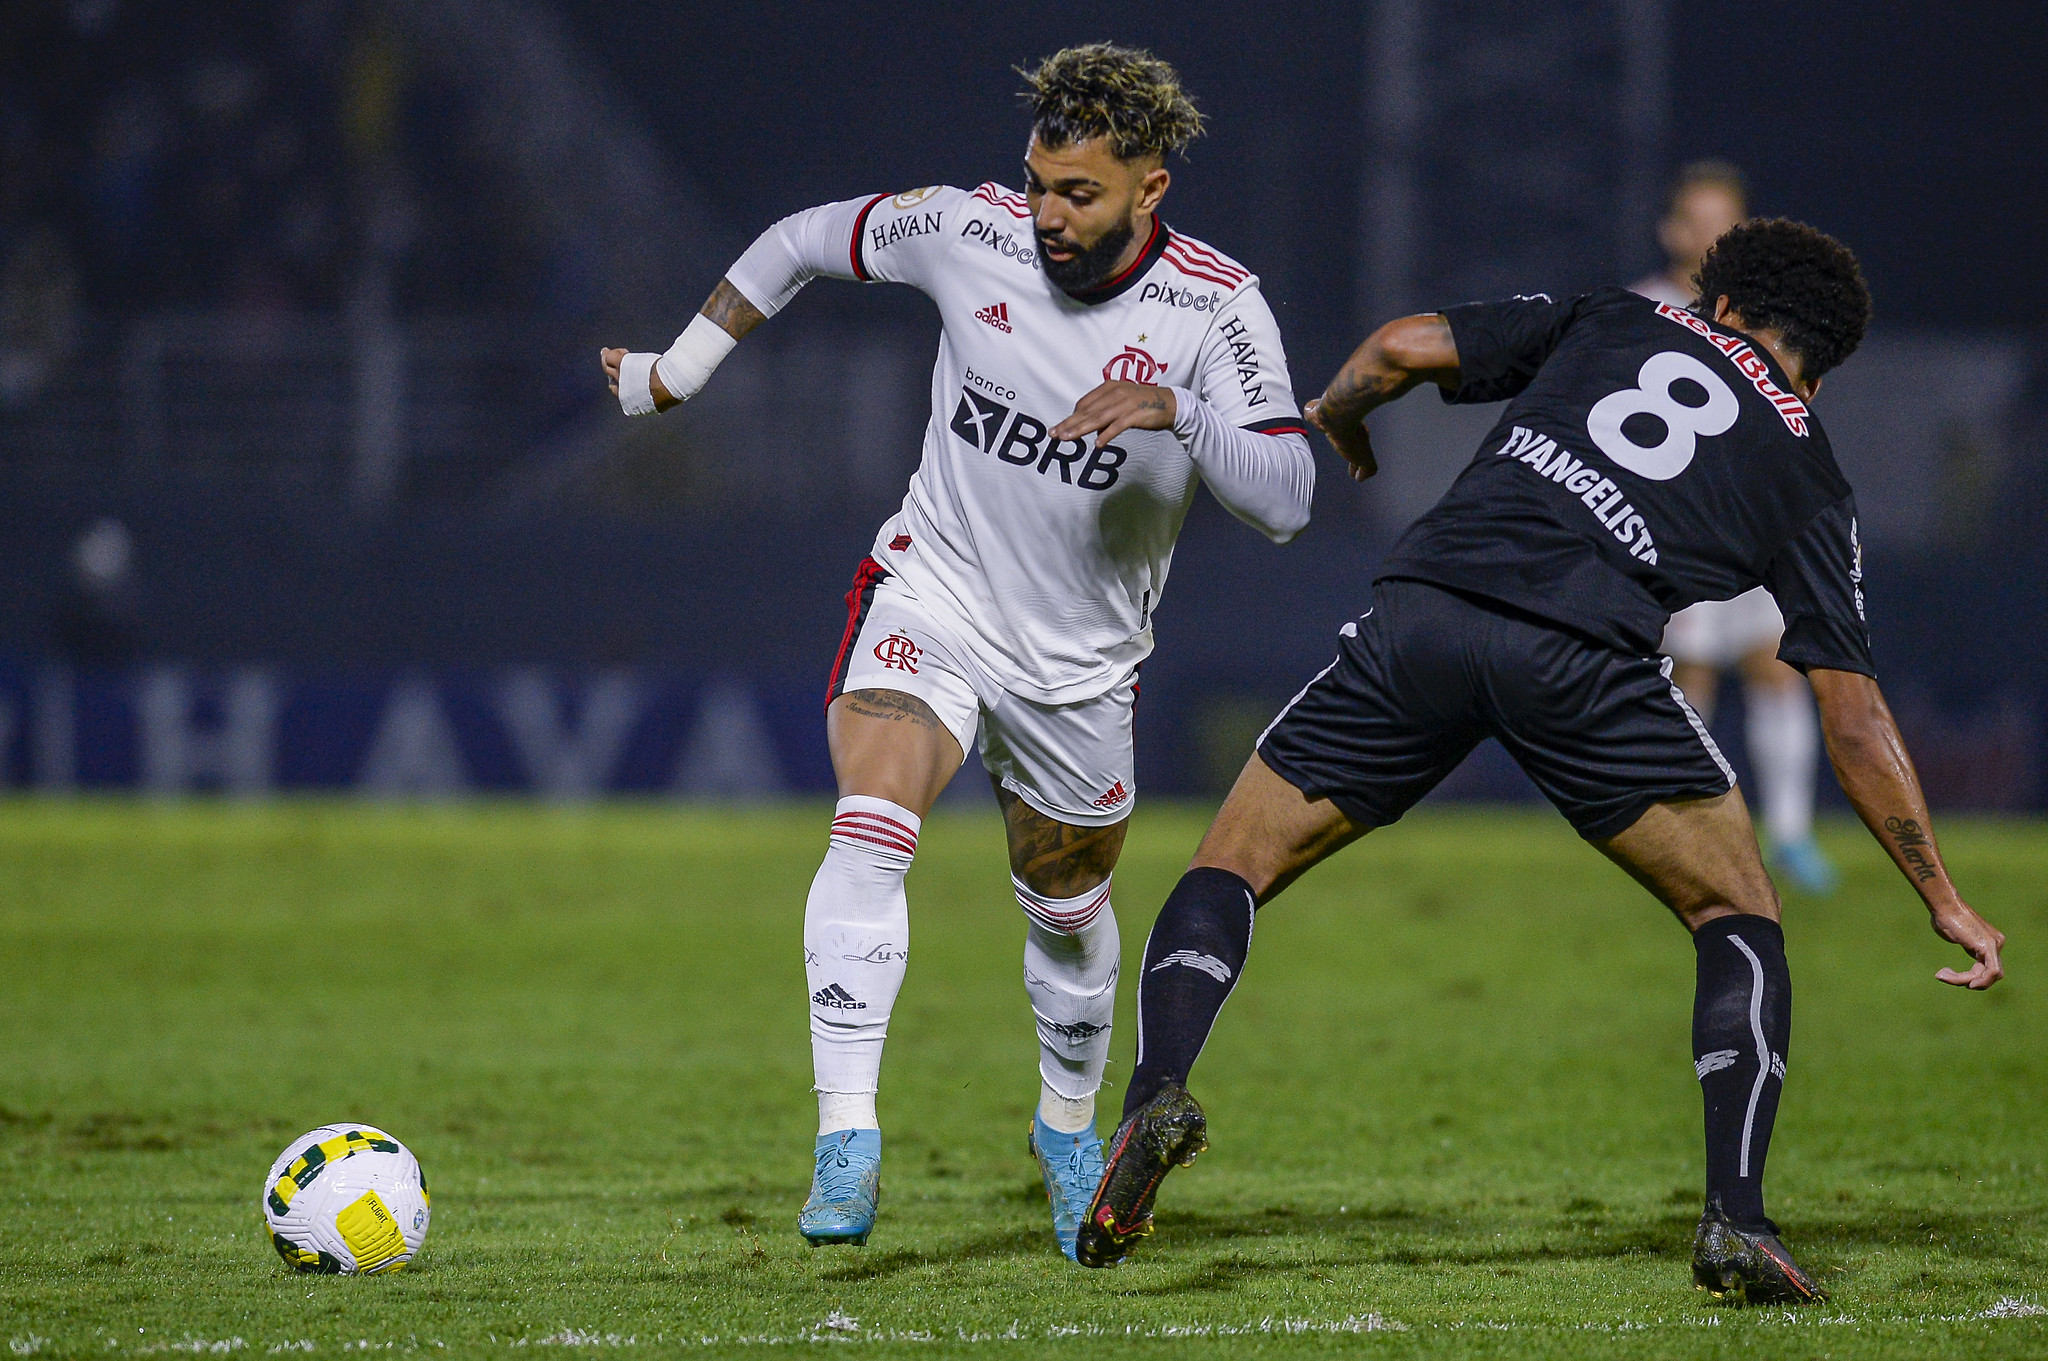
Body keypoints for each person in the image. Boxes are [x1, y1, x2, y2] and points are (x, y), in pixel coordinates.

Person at [1078, 221, 2007, 1305]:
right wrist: (1938, 894)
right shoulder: (1808, 471)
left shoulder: (1615, 314)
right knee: (1736, 911)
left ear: (1722, 302)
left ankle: (1156, 1090)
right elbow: (1849, 712)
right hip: (1580, 657)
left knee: (1229, 864)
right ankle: (1735, 1220)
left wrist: (1339, 416)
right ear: (1824, 356)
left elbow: (1398, 349)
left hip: (1425, 615)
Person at [600, 44, 1313, 1258]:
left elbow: (1290, 493)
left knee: (1066, 905)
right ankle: (844, 1134)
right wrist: (674, 373)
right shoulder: (964, 231)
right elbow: (795, 241)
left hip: (1080, 666)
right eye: (1035, 183)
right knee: (870, 818)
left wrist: (1179, 412)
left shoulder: (1214, 308)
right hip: (934, 589)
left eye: (1076, 193)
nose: (1043, 215)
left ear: (1151, 189)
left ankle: (1064, 1124)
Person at [1631, 163, 1837, 893]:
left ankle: (1790, 834)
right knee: (1689, 676)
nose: (1712, 231)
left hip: (1750, 522)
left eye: (1726, 217)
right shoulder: (1641, 309)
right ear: (1672, 228)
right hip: (1674, 529)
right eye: (1700, 216)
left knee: (1776, 664)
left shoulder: (1767, 315)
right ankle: (1692, 831)